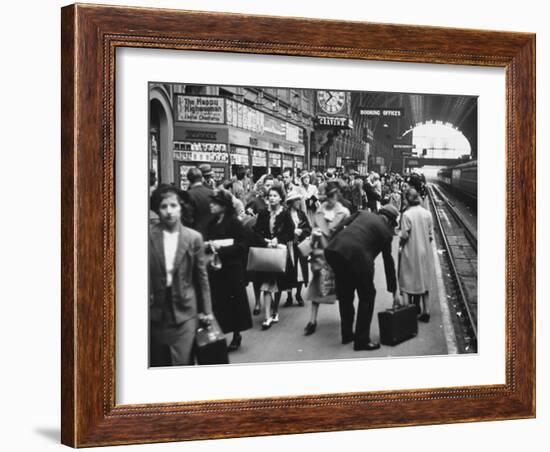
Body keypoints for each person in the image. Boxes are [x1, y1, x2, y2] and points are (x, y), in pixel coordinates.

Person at [149, 184, 213, 366]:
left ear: (181, 207)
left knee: (181, 363)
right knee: (158, 364)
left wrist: (207, 311)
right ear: (157, 209)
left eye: (173, 206)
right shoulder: (147, 237)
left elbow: (202, 279)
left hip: (185, 313)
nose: (169, 211)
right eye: (163, 207)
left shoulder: (193, 238)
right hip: (156, 314)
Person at [324, 204, 401, 350]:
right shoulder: (386, 233)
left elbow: (340, 225)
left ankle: (347, 334)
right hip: (359, 258)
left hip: (335, 251)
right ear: (390, 221)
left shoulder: (362, 213)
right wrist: (394, 290)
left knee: (346, 294)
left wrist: (332, 244)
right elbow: (388, 263)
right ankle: (362, 340)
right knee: (367, 296)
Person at [204, 189, 252, 351]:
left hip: (231, 269)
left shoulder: (234, 223)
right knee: (218, 304)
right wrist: (209, 246)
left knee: (234, 303)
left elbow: (242, 245)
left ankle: (236, 333)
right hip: (215, 269)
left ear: (224, 206)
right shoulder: (211, 223)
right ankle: (221, 334)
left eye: (215, 203)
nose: (211, 205)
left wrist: (221, 248)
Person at [304, 187, 350, 335]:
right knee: (317, 286)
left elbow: (347, 232)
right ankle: (312, 321)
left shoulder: (344, 212)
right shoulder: (320, 210)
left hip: (337, 253)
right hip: (320, 254)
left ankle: (346, 319)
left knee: (342, 287)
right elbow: (314, 229)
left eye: (332, 196)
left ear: (337, 195)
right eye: (327, 196)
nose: (329, 199)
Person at [253, 185, 294, 330]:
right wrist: (265, 241)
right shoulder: (263, 213)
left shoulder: (285, 213)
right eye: (270, 195)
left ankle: (275, 310)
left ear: (281, 198)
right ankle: (267, 316)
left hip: (280, 252)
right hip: (266, 252)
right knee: (266, 284)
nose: (272, 198)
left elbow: (291, 232)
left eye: (275, 195)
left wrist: (278, 239)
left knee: (277, 284)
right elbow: (256, 232)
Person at [398, 188, 435, 322]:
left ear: (407, 199)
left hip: (410, 251)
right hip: (425, 250)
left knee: (407, 280)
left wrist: (400, 243)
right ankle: (426, 311)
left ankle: (408, 313)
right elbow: (431, 235)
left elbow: (404, 235)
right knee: (423, 280)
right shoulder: (427, 214)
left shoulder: (407, 215)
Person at [284, 191, 312, 307]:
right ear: (290, 202)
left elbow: (308, 229)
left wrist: (302, 232)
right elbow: (281, 230)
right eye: (296, 200)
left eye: (299, 200)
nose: (298, 202)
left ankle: (298, 294)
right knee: (289, 270)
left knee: (301, 271)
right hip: (289, 246)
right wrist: (291, 232)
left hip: (300, 246)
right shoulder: (285, 215)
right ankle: (289, 296)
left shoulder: (302, 214)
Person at [186, 167, 214, 238]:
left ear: (189, 180)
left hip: (195, 235)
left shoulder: (188, 195)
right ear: (201, 178)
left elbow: (187, 219)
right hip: (212, 235)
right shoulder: (212, 193)